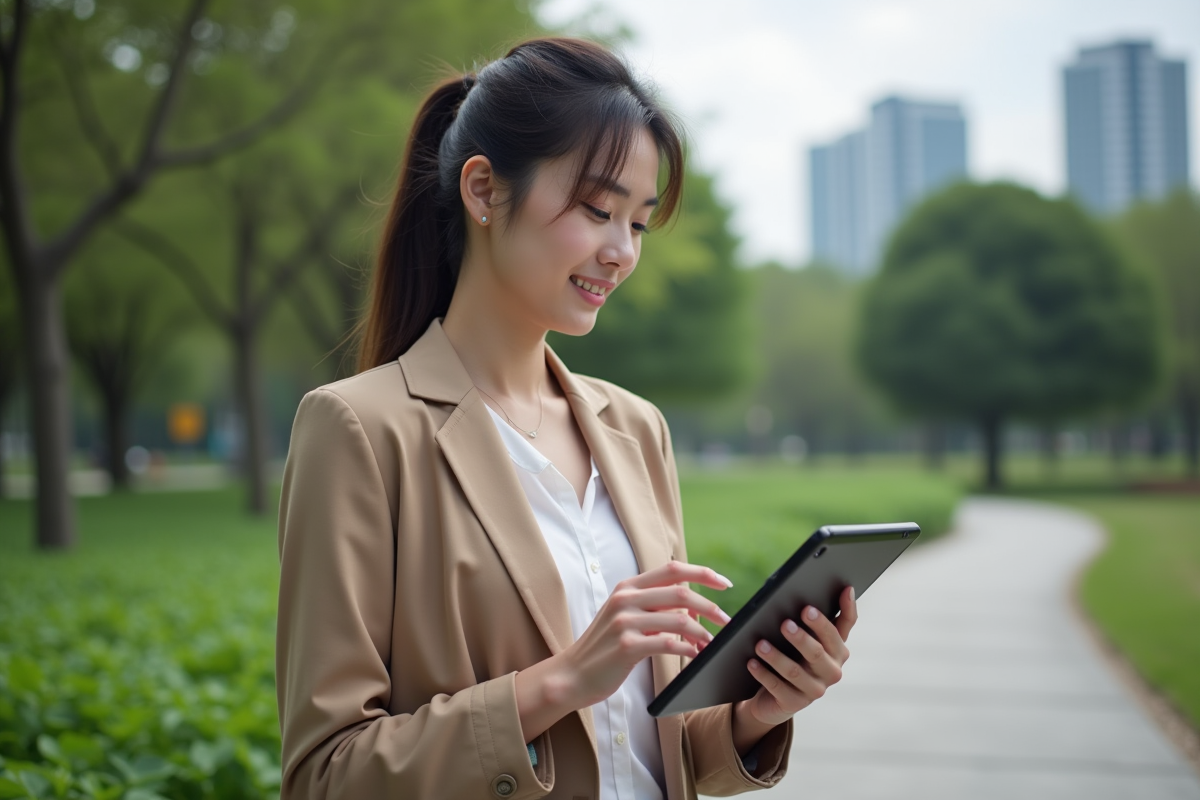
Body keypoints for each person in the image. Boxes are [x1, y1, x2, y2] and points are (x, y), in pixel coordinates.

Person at [275, 35, 858, 799]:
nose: (620, 251)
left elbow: (647, 752)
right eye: (596, 209)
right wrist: (559, 682)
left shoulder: (636, 428)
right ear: (483, 191)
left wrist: (756, 713)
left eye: (639, 223)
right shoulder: (358, 430)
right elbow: (326, 774)